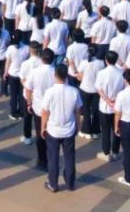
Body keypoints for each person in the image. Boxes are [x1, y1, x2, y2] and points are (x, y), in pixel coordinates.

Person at [41, 64, 81, 193]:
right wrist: (78, 126)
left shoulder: (50, 92)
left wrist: (42, 127)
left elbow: (45, 112)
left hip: (53, 130)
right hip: (69, 129)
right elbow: (77, 111)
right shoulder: (74, 91)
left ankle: (53, 184)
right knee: (70, 158)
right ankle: (70, 183)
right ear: (66, 76)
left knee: (53, 158)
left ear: (55, 75)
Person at [94, 50, 124, 162]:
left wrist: (107, 101)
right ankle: (115, 152)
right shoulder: (121, 72)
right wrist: (114, 100)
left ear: (106, 60)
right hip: (117, 106)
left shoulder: (102, 73)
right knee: (117, 129)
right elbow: (124, 88)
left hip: (105, 107)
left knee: (105, 130)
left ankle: (106, 152)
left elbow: (99, 89)